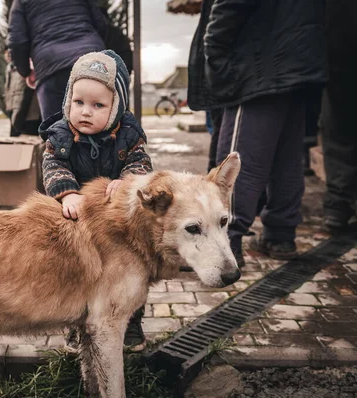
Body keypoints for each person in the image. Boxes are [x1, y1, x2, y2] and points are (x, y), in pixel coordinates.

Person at [187, 0, 327, 266]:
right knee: (287, 158)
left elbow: (231, 6)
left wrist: (215, 58)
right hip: (299, 60)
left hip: (256, 63)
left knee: (237, 163)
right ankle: (281, 235)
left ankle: (228, 241)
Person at [40, 50, 153, 353]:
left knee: (129, 272)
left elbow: (141, 165)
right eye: (78, 102)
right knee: (78, 275)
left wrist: (127, 181)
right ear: (68, 100)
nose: (85, 112)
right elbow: (53, 166)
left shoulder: (128, 133)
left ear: (116, 108)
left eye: (98, 105)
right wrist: (67, 192)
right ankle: (77, 327)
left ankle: (131, 323)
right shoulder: (61, 134)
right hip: (79, 219)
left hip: (118, 224)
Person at [8, 0, 107, 120]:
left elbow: (17, 41)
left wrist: (25, 71)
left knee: (55, 128)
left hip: (52, 64)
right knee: (99, 123)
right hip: (92, 58)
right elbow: (100, 23)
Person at [320, 0, 357, 230]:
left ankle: (338, 205)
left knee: (338, 128)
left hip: (339, 48)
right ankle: (338, 205)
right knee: (338, 126)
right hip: (339, 48)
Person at [4, 50, 41, 136]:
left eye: (11, 51)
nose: (8, 54)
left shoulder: (29, 65)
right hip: (13, 109)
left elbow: (30, 89)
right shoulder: (10, 67)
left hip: (28, 113)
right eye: (7, 51)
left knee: (30, 138)